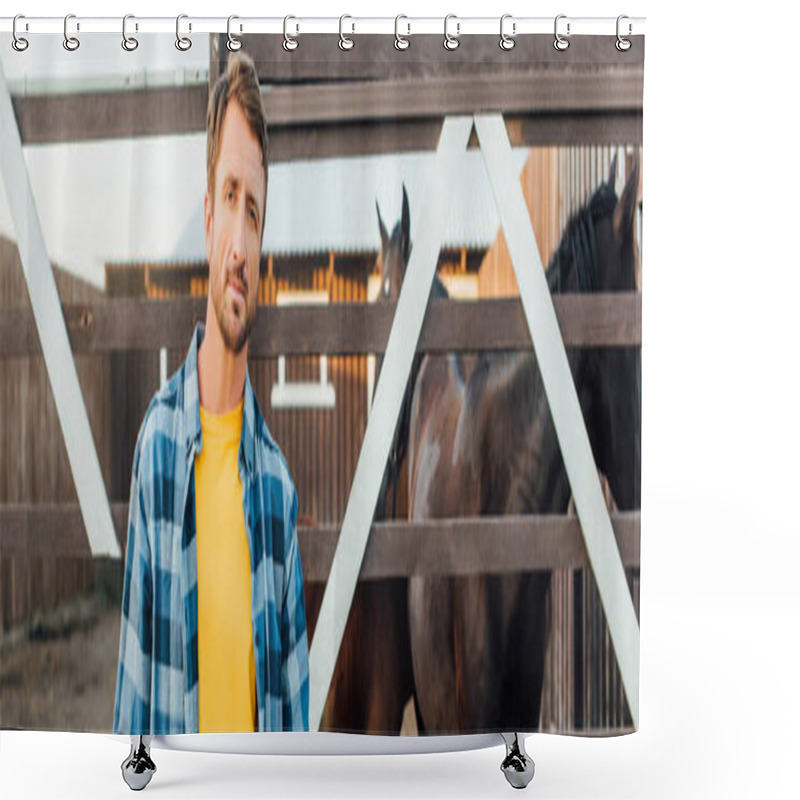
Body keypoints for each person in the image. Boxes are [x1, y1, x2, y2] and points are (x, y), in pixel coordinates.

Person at [113, 53, 308, 734]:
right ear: (206, 218)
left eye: (253, 210)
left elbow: (295, 735)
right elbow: (131, 702)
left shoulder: (278, 493)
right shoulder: (158, 451)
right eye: (230, 196)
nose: (240, 243)